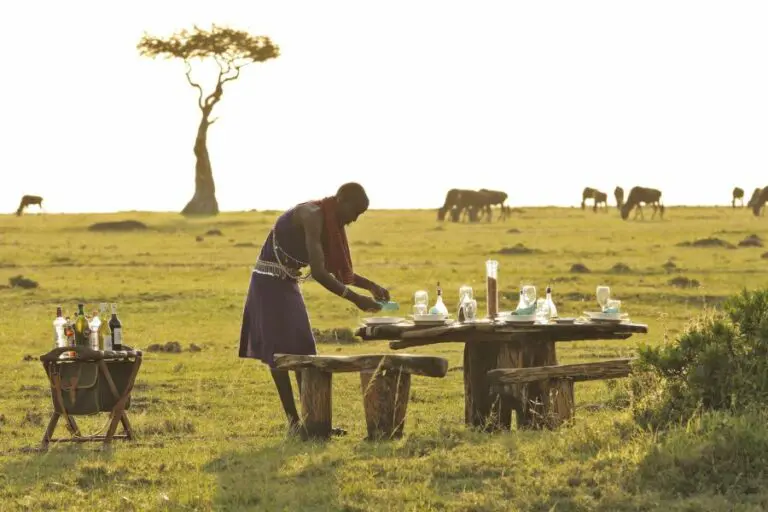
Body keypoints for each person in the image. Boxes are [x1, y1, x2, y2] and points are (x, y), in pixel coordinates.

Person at [239, 182, 389, 436]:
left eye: (359, 216)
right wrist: (356, 299)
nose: (353, 220)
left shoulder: (330, 221)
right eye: (354, 212)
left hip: (286, 281)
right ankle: (294, 423)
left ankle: (314, 422)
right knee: (278, 354)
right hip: (267, 282)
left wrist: (371, 286)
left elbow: (335, 270)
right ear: (341, 199)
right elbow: (320, 273)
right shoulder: (311, 215)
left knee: (305, 348)